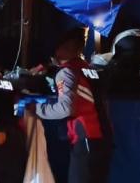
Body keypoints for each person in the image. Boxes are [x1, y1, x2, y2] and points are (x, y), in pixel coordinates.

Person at [32, 27, 110, 183]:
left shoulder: (66, 72)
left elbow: (65, 108)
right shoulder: (88, 69)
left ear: (62, 48)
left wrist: (36, 109)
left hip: (85, 139)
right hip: (103, 139)